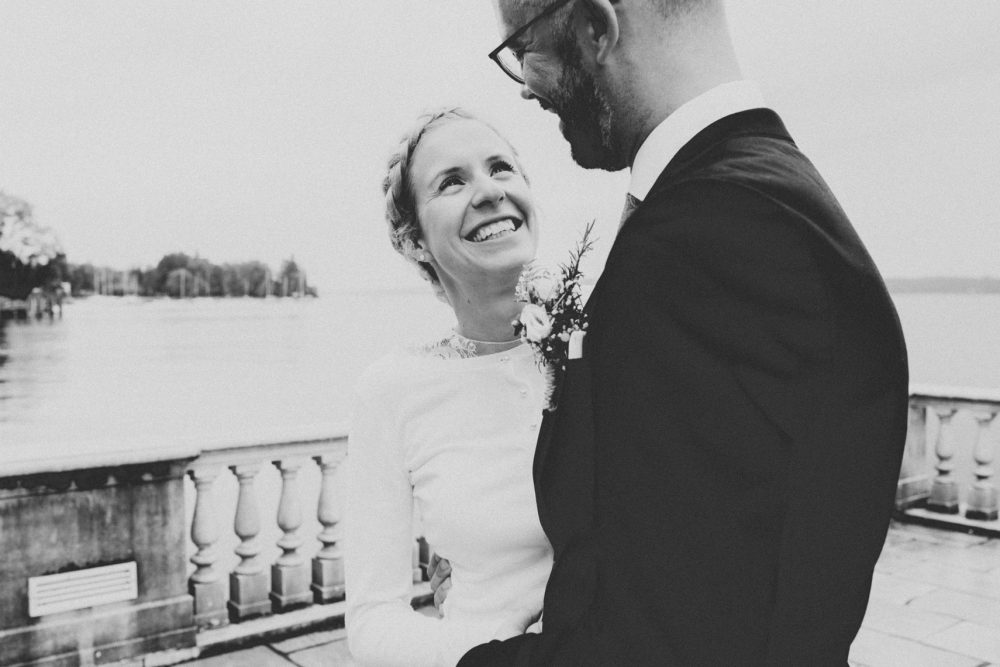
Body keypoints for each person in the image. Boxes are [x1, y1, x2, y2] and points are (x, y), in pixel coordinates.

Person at [453, 1, 910, 665]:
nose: (524, 83)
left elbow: (661, 642)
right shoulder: (765, 193)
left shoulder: (705, 235)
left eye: (524, 49)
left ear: (594, 27)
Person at [344, 108, 553, 667]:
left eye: (501, 168)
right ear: (414, 240)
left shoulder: (611, 344)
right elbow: (372, 620)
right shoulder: (394, 390)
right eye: (452, 182)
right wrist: (485, 651)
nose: (490, 191)